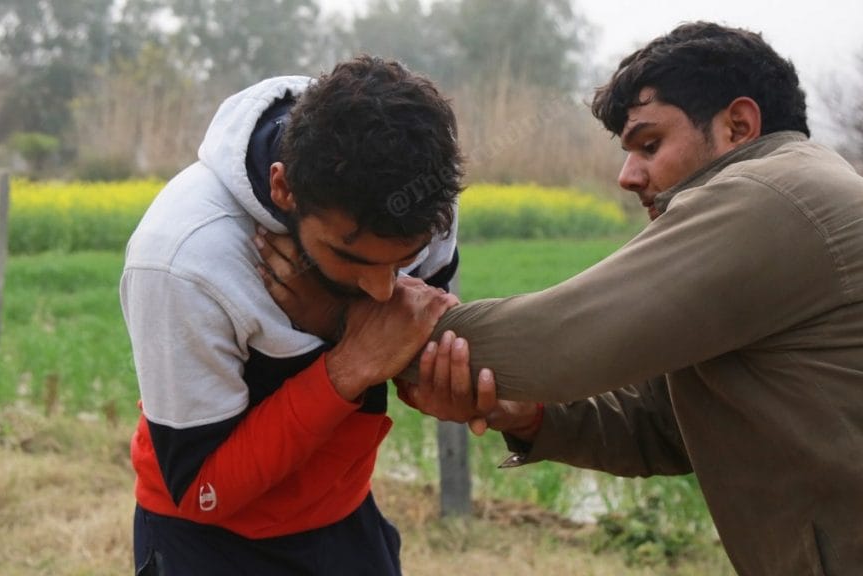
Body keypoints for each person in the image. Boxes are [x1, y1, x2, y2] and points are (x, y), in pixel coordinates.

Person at [258, 22, 863, 575]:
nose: (627, 175)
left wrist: (347, 315)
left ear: (738, 126)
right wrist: (529, 414)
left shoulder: (772, 195)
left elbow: (556, 342)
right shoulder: (799, 194)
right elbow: (665, 426)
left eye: (649, 145)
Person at [119, 56, 463, 575]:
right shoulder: (183, 257)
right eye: (351, 259)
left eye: (403, 262)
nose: (382, 288)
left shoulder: (421, 204)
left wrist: (335, 320)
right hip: (207, 542)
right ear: (283, 188)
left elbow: (419, 355)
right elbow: (202, 492)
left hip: (342, 514)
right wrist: (347, 365)